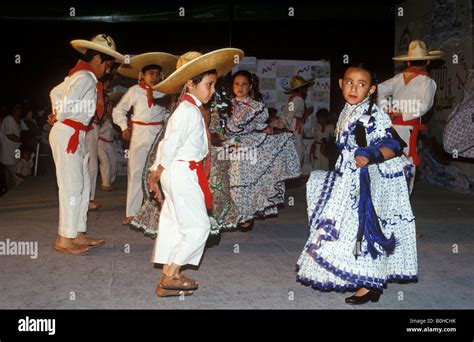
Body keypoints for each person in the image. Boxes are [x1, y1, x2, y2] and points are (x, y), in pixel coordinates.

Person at [297, 63, 417, 305]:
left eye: (361, 84)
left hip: (365, 183)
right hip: (347, 177)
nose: (354, 88)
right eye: (349, 82)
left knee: (363, 230)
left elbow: (393, 144)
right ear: (341, 84)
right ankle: (360, 277)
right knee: (343, 228)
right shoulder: (347, 110)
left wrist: (370, 155)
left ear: (371, 90)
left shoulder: (371, 116)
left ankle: (370, 284)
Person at [147, 48, 244, 297]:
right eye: (209, 85)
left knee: (177, 224)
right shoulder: (188, 111)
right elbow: (168, 145)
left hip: (178, 171)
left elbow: (168, 142)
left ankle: (172, 273)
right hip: (180, 172)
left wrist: (158, 172)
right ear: (191, 83)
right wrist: (157, 172)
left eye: (213, 85)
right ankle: (169, 275)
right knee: (199, 227)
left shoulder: (191, 109)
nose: (212, 90)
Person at [49, 34, 124, 255]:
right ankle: (64, 239)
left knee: (81, 187)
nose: (108, 70)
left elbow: (55, 93)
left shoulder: (81, 76)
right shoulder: (84, 77)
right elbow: (66, 105)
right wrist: (61, 115)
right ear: (99, 60)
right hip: (69, 133)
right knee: (71, 187)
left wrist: (57, 112)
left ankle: (78, 234)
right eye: (108, 65)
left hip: (77, 133)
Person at [226, 70, 301, 229]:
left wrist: (277, 134)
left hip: (251, 148)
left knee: (248, 181)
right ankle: (235, 214)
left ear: (250, 86)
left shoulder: (256, 106)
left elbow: (262, 128)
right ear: (232, 86)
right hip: (230, 147)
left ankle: (246, 215)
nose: (240, 87)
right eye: (236, 84)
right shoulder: (225, 105)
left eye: (244, 84)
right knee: (232, 182)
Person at [113, 52, 177, 226]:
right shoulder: (134, 91)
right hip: (139, 134)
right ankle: (132, 212)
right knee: (135, 172)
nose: (154, 77)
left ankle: (160, 211)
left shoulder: (165, 91)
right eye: (151, 74)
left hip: (158, 134)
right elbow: (118, 111)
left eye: (157, 74)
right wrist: (124, 127)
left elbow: (168, 113)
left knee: (158, 172)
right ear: (142, 75)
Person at [377, 40, 444, 193]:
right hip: (405, 126)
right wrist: (397, 111)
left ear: (407, 61)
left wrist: (386, 108)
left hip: (393, 125)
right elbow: (424, 106)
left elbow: (380, 88)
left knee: (391, 156)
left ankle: (392, 195)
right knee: (407, 159)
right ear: (427, 61)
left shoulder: (399, 78)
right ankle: (402, 197)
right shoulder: (427, 82)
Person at [280, 75, 315, 166]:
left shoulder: (292, 99)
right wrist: (287, 127)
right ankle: (295, 170)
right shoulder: (298, 99)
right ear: (301, 89)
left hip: (292, 124)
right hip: (294, 126)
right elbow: (290, 114)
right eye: (305, 88)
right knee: (298, 149)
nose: (306, 91)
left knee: (295, 147)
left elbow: (289, 112)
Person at [98, 94, 121, 191]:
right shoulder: (100, 117)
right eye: (109, 106)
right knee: (105, 162)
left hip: (110, 143)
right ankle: (105, 184)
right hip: (101, 142)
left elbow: (117, 132)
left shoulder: (114, 118)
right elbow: (99, 130)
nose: (110, 108)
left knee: (113, 163)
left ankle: (109, 182)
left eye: (112, 106)